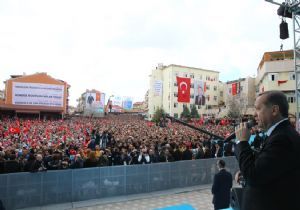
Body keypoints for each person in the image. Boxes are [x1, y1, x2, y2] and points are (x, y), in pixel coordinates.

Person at [235, 91, 300, 210]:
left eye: (258, 109)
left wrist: (242, 142)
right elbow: (269, 170)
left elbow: (254, 175)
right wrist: (245, 171)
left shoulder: (282, 139)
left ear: (274, 110)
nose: (254, 114)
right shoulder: (279, 134)